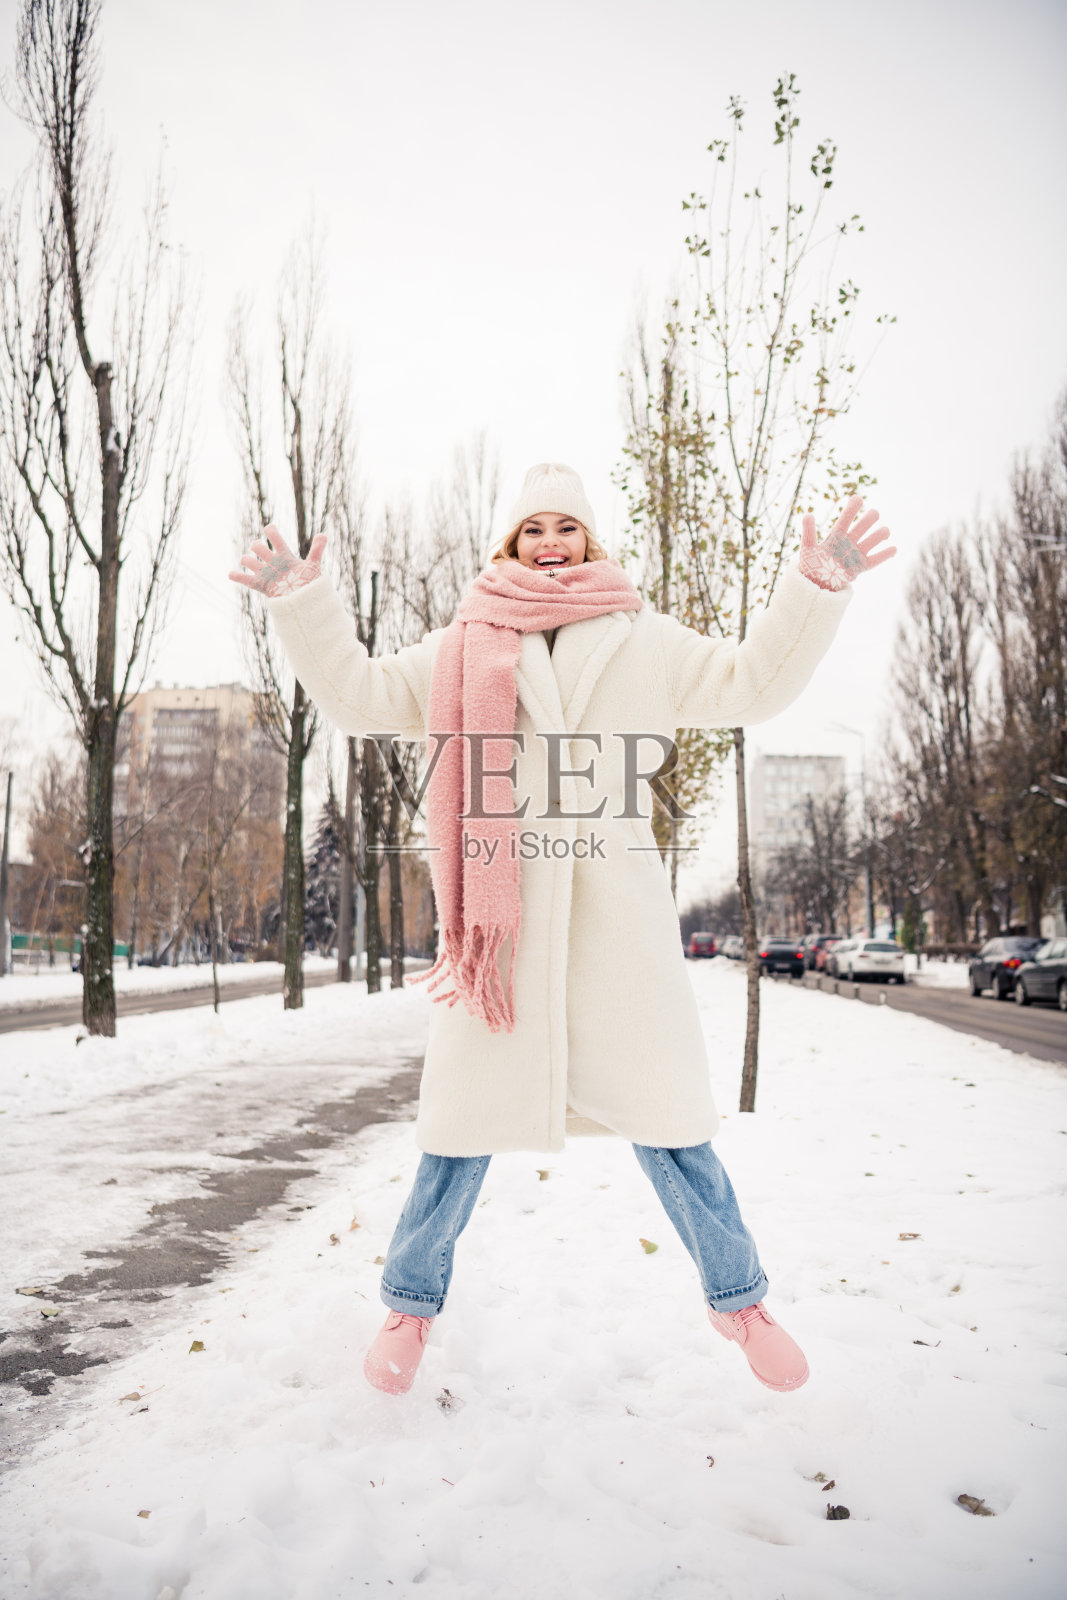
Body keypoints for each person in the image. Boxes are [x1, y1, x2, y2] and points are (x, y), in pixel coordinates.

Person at [230, 462, 896, 1397]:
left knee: (672, 1125)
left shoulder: (643, 639)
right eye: (533, 528)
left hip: (617, 930)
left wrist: (811, 592)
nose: (551, 542)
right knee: (458, 1132)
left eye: (567, 528)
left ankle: (739, 1301)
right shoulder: (461, 645)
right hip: (499, 938)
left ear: (590, 540)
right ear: (509, 544)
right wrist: (305, 606)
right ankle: (409, 1308)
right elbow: (361, 698)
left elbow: (750, 685)